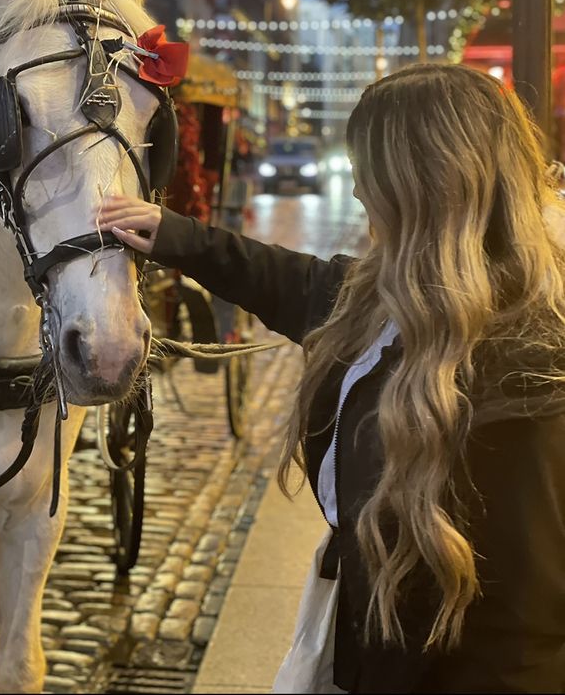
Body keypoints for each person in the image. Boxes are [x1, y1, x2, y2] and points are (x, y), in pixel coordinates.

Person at [97, 63, 565, 694]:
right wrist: (174, 236)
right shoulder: (389, 295)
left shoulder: (529, 382)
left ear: (419, 187)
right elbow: (292, 281)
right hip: (365, 646)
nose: (356, 195)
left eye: (366, 176)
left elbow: (526, 626)